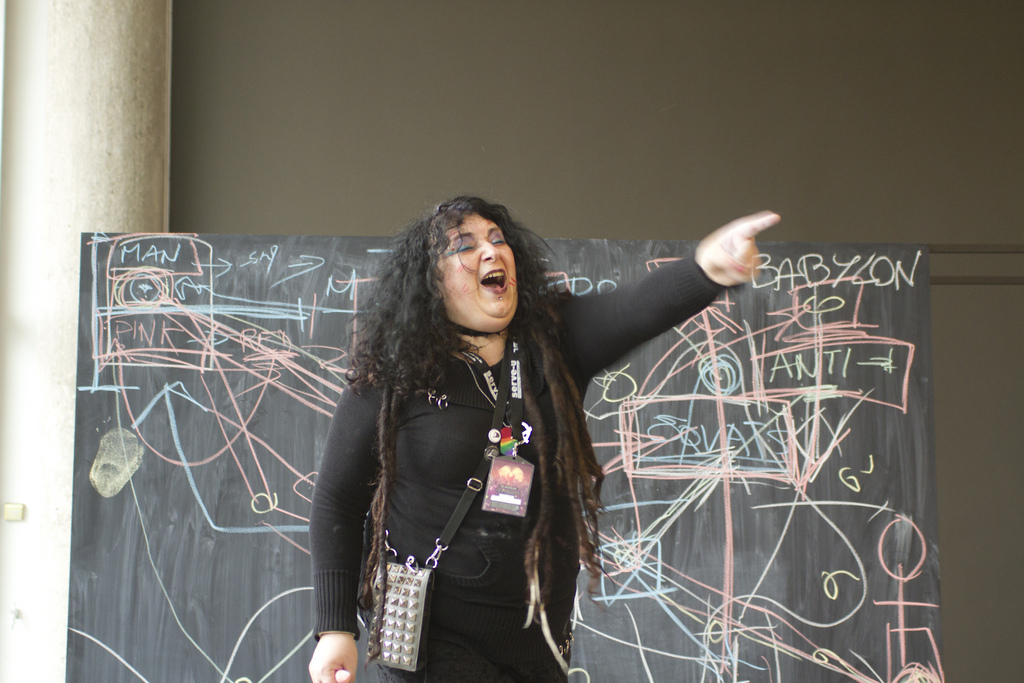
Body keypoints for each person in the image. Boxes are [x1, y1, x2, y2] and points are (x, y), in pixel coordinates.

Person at [308, 196, 778, 683]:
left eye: (498, 239)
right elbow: (338, 500)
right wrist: (335, 629)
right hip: (433, 641)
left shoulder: (552, 341)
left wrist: (707, 269)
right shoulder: (396, 369)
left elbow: (636, 308)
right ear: (430, 281)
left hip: (540, 641)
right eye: (464, 246)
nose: (491, 251)